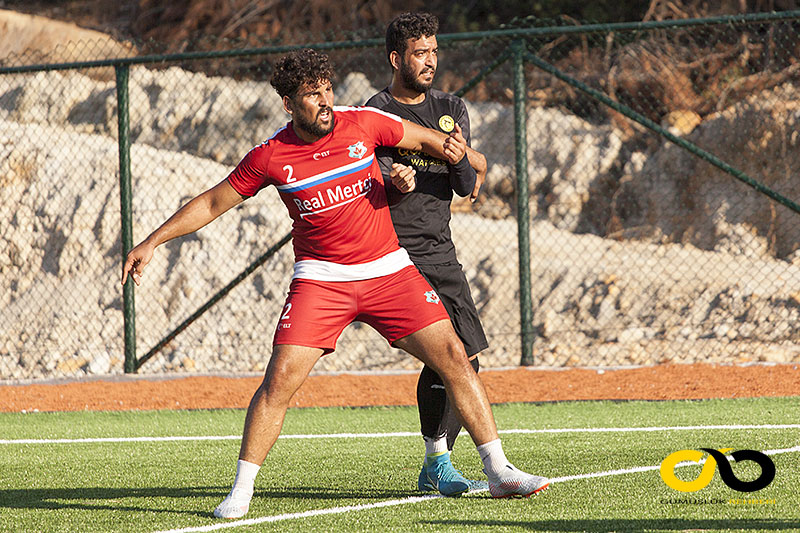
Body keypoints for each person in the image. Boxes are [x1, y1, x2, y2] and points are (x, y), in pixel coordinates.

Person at [121, 48, 549, 520]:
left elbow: (428, 140)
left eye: (327, 90)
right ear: (289, 104)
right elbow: (212, 202)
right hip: (321, 281)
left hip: (388, 269)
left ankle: (498, 471)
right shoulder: (271, 155)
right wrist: (152, 241)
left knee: (454, 354)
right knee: (279, 381)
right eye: (311, 95)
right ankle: (241, 492)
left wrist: (468, 156)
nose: (324, 102)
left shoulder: (362, 122)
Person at [365, 12, 488, 498]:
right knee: (449, 357)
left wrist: (459, 158)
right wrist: (390, 177)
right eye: (420, 52)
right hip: (391, 252)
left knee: (467, 359)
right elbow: (362, 175)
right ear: (397, 59)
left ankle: (436, 462)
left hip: (440, 252)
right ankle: (440, 461)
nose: (430, 61)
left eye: (435, 51)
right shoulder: (376, 111)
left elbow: (466, 187)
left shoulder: (450, 107)